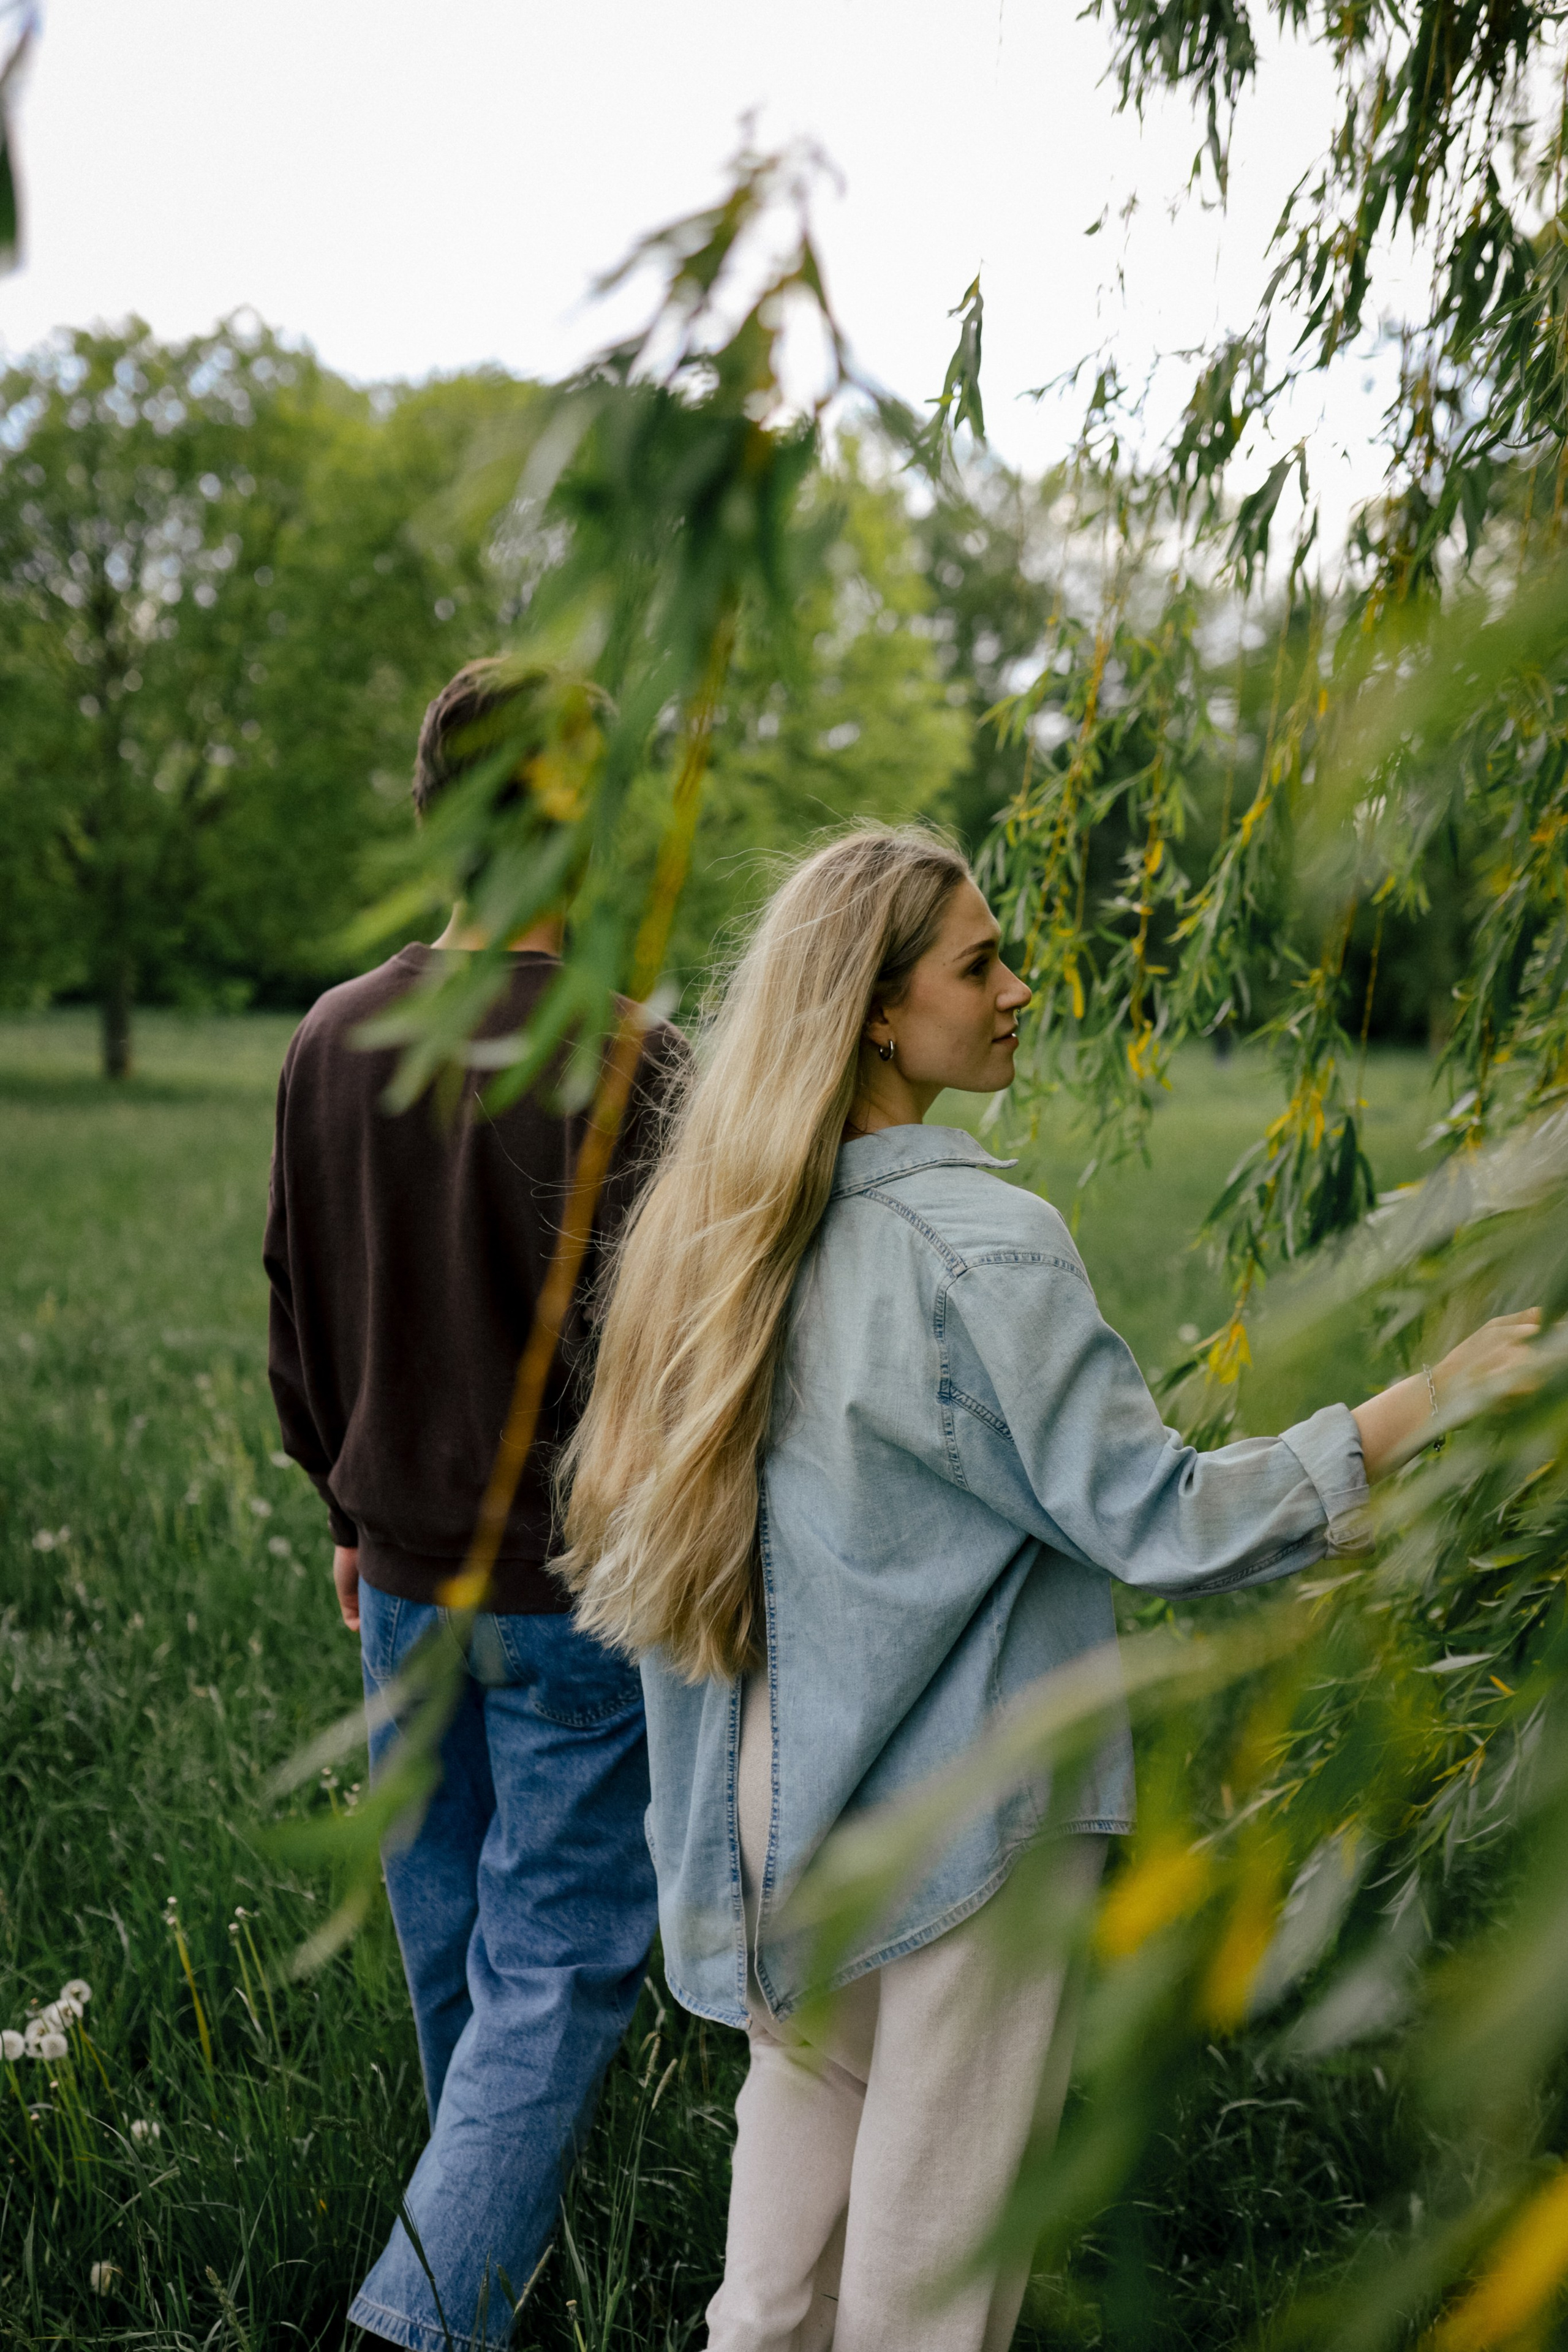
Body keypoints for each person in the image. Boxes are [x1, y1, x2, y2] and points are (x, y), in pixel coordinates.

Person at [555, 826, 1539, 2352]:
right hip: (965, 1809)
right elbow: (1159, 1520)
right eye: (979, 962)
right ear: (879, 1011)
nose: (1018, 989)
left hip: (774, 1790)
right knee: (931, 2262)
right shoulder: (979, 1247)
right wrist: (1416, 1406)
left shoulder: (723, 1227)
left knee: (781, 2226)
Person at [263, 660, 687, 2352]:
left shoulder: (328, 1038)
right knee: (561, 1957)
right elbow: (678, 1352)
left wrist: (346, 1512)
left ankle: (474, 2268)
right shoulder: (640, 1059)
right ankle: (426, 2320)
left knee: (459, 1937)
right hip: (575, 1587)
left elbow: (299, 1304)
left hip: (408, 1572)